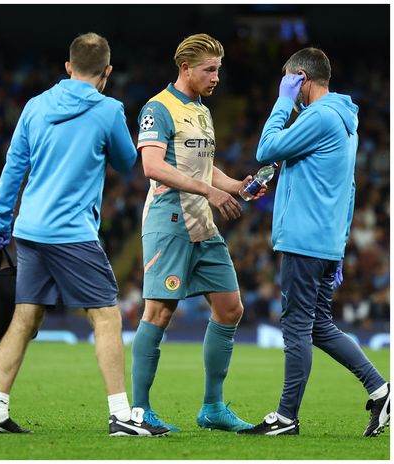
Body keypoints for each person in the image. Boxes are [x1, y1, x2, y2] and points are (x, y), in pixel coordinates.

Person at [0, 33, 167, 437]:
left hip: (29, 228)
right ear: (107, 72)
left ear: (68, 67)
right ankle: (120, 414)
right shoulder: (108, 110)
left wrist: (0, 221)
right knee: (105, 316)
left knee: (25, 317)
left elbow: (14, 166)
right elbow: (124, 161)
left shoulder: (34, 106)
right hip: (71, 232)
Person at [239, 47, 390, 437]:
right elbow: (348, 187)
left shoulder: (319, 116)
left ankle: (286, 417)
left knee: (296, 328)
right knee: (319, 326)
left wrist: (281, 102)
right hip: (324, 240)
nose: (286, 86)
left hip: (304, 241)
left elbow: (266, 148)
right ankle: (380, 388)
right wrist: (338, 246)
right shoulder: (342, 119)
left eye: (289, 80)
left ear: (300, 79)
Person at [132, 33, 257, 434]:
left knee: (230, 308)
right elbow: (152, 166)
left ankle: (213, 408)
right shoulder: (158, 108)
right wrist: (210, 190)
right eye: (210, 69)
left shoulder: (201, 110)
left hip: (203, 224)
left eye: (218, 69)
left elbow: (202, 166)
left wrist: (237, 185)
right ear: (185, 68)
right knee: (159, 312)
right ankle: (139, 411)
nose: (216, 77)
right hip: (169, 222)